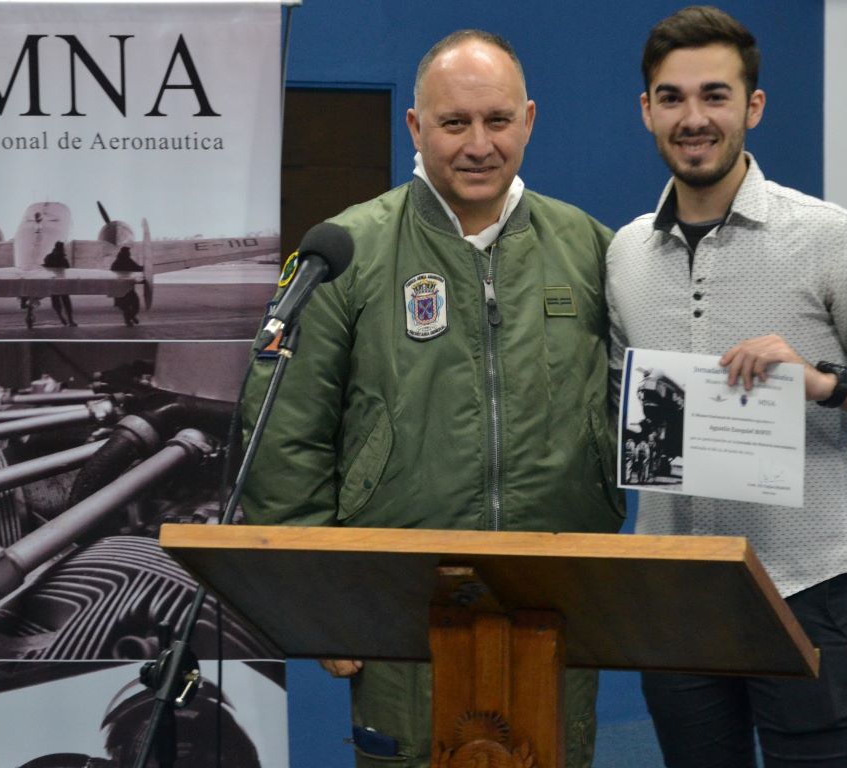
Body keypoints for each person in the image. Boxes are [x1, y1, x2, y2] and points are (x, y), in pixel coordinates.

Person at [241, 29, 624, 768]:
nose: (479, 144)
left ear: (530, 120)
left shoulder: (591, 250)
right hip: (401, 603)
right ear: (415, 126)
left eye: (498, 120)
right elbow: (285, 431)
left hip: (555, 595)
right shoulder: (345, 253)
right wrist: (325, 599)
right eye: (454, 123)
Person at [606, 7, 847, 767]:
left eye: (715, 96)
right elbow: (617, 397)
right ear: (646, 110)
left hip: (805, 589)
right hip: (677, 591)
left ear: (752, 107)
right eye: (672, 98)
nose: (693, 118)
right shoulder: (625, 252)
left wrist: (823, 382)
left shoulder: (829, 237)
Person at [42, 241, 76, 326]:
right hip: (62, 283)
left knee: (56, 302)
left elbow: (45, 267)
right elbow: (68, 269)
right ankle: (70, 320)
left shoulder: (49, 257)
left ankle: (61, 317)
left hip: (53, 282)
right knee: (66, 302)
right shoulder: (63, 258)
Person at [110, 246, 142, 326]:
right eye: (128, 252)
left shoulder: (122, 261)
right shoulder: (121, 262)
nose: (129, 253)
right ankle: (129, 320)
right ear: (125, 253)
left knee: (130, 306)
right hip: (122, 289)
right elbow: (137, 268)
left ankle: (130, 317)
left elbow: (137, 268)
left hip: (126, 288)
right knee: (130, 306)